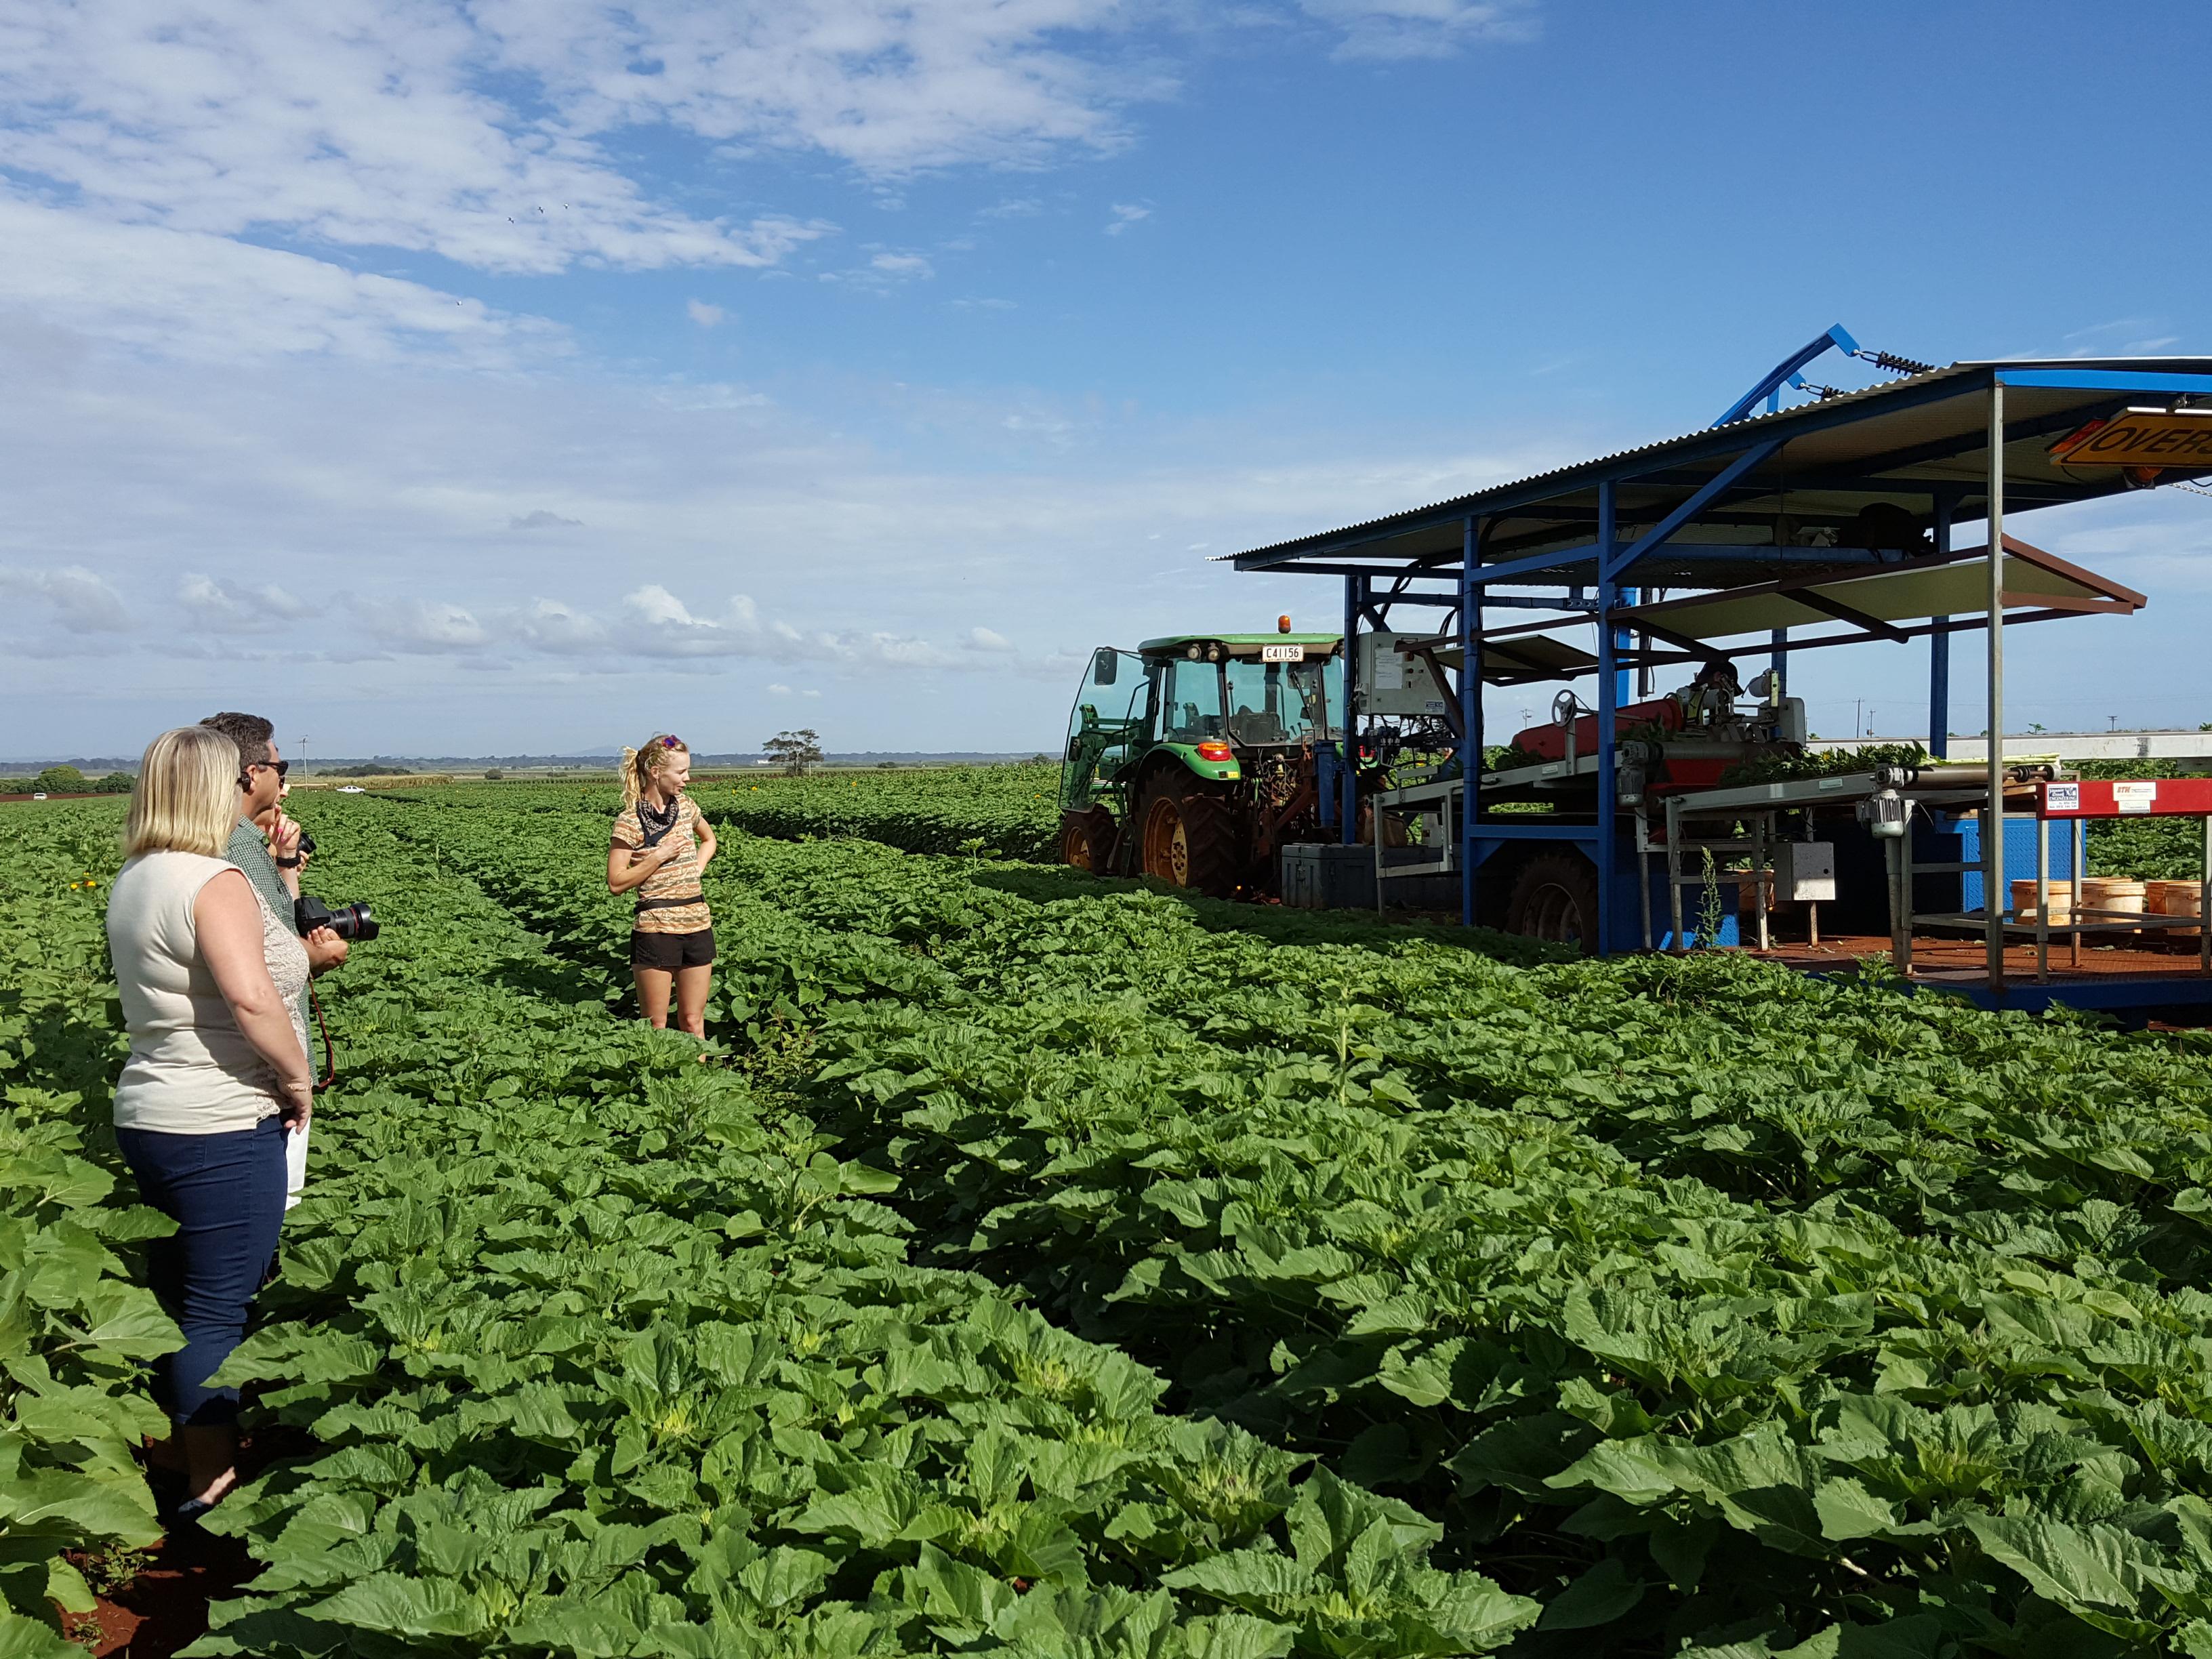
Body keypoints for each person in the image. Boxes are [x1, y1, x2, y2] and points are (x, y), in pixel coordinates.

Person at [105, 726, 314, 1521]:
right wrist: (295, 1081)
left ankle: (182, 1456)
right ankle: (210, 1485)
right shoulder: (213, 878)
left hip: (150, 1108)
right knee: (219, 1311)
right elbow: (253, 999)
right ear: (209, 790)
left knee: (180, 1295)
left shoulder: (138, 874)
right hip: (221, 1116)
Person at [607, 734, 716, 1038]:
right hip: (656, 929)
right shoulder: (629, 821)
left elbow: (709, 840)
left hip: (697, 924)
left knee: (694, 1021)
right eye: (681, 773)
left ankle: (700, 1082)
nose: (687, 779)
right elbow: (616, 882)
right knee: (655, 1026)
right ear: (656, 773)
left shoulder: (686, 807)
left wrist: (696, 868)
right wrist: (657, 858)